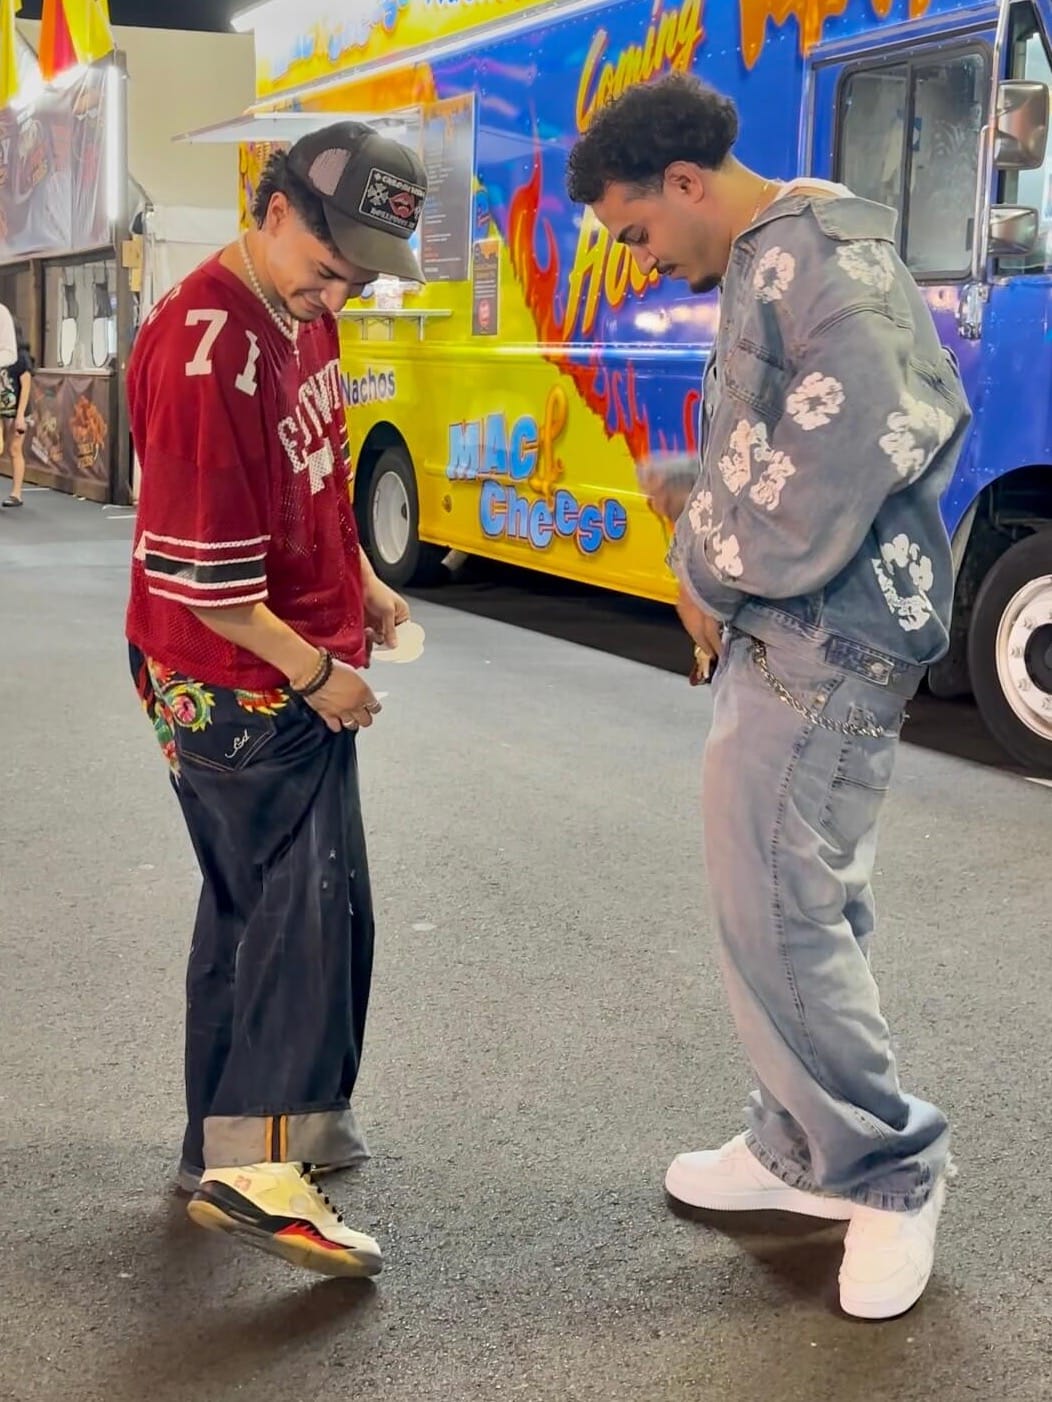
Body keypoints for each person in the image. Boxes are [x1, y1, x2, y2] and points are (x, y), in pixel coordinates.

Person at [566, 73, 970, 1321]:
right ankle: (798, 1147)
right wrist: (705, 506)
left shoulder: (812, 257)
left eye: (637, 228)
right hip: (802, 623)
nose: (641, 257)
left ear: (685, 182)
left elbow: (864, 432)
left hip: (823, 632)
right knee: (784, 899)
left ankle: (886, 1170)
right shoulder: (781, 248)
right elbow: (796, 439)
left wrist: (704, 559)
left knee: (783, 907)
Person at [126, 122, 428, 1279]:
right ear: (273, 206)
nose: (337, 289)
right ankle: (259, 1168)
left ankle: (225, 1141)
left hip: (269, 664)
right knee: (304, 921)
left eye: (358, 274)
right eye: (328, 260)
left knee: (258, 910)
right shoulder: (208, 350)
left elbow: (318, 472)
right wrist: (317, 673)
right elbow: (204, 587)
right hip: (237, 685)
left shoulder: (301, 315)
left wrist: (363, 584)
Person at [0, 330, 31, 509]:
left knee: (14, 449)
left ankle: (16, 493)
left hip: (17, 408)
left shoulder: (20, 356)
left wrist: (20, 416)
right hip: (2, 408)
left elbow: (26, 385)